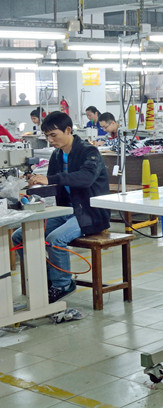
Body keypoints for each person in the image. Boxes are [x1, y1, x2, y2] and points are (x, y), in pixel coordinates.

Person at [14, 111, 110, 303]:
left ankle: (63, 284)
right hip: (65, 211)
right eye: (47, 136)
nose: (50, 140)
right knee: (18, 236)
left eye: (53, 135)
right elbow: (53, 185)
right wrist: (30, 186)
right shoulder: (57, 155)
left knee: (55, 239)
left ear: (67, 130)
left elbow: (85, 178)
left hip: (89, 213)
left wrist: (49, 179)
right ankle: (45, 278)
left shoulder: (89, 152)